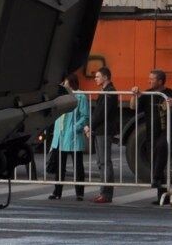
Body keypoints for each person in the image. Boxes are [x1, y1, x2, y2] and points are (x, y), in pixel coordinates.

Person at [132, 69, 172, 205]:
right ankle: (162, 195)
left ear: (160, 81)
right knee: (155, 160)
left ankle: (156, 178)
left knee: (161, 147)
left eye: (152, 79)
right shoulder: (148, 94)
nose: (149, 81)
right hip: (151, 132)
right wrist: (134, 95)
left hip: (167, 131)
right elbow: (133, 107)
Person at [46, 72, 90, 202]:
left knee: (78, 166)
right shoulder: (61, 96)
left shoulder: (80, 96)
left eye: (64, 81)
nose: (62, 84)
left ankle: (79, 193)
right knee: (60, 166)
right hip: (61, 135)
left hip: (73, 136)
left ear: (70, 82)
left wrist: (75, 128)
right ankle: (57, 192)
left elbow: (85, 116)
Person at [89, 68, 121, 204]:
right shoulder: (105, 91)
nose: (95, 79)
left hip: (104, 130)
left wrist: (90, 125)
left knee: (105, 162)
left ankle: (106, 194)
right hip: (100, 130)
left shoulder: (110, 92)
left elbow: (101, 112)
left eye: (98, 76)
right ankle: (103, 192)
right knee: (101, 162)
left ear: (106, 77)